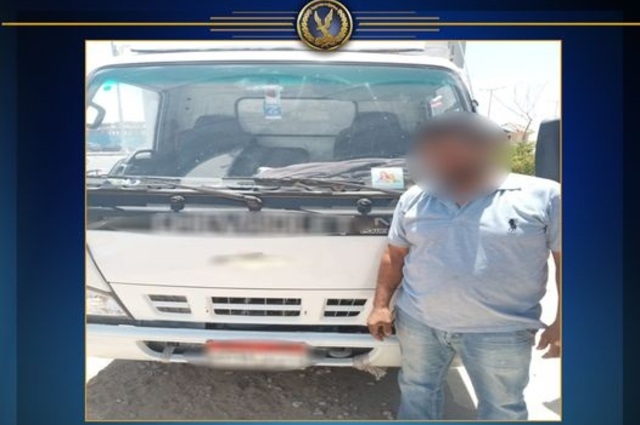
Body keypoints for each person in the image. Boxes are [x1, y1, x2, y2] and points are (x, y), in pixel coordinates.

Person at [367, 112, 561, 420]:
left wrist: (563, 321)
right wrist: (380, 306)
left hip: (502, 330)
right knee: (417, 393)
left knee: (503, 408)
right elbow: (394, 254)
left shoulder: (544, 196)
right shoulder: (415, 197)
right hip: (420, 324)